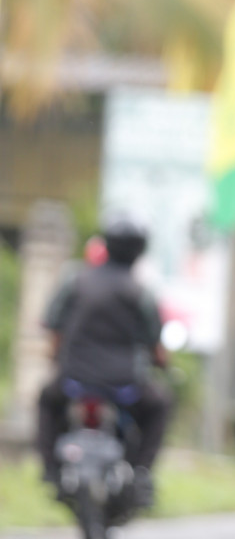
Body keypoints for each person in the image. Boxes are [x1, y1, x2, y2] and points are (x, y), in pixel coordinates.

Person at [37, 218, 171, 509]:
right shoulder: (140, 292)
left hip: (74, 378)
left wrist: (55, 357)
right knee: (159, 405)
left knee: (47, 401)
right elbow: (155, 345)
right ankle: (142, 472)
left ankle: (49, 468)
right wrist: (162, 363)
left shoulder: (76, 281)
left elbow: (55, 327)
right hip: (126, 384)